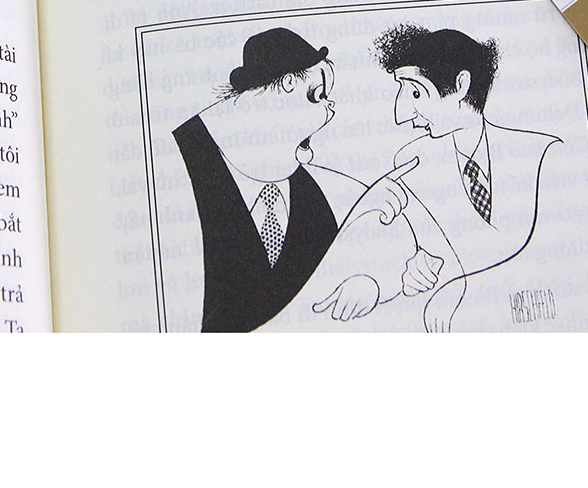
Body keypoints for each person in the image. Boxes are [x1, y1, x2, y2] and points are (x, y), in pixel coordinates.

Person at [173, 27, 408, 332]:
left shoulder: (313, 189)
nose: (330, 111)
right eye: (319, 96)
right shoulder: (181, 162)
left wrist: (373, 284)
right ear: (288, 84)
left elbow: (392, 257)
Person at [372, 22, 561, 332]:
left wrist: (461, 291)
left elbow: (559, 263)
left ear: (460, 85)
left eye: (416, 92)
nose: (401, 114)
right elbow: (417, 253)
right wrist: (412, 272)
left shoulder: (542, 155)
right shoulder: (411, 164)